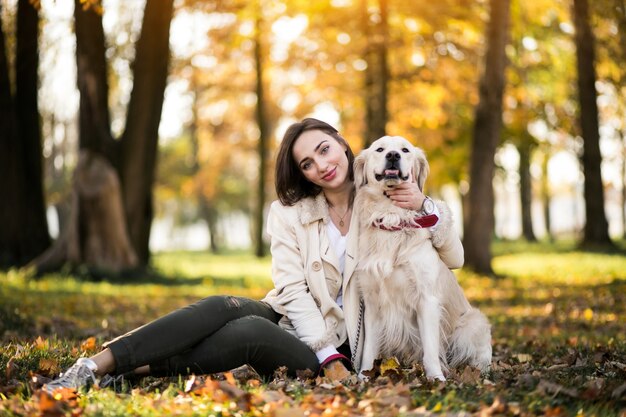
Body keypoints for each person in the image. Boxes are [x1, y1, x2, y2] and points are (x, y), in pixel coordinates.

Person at [43, 118, 463, 392]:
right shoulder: (288, 215)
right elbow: (292, 288)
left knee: (248, 334)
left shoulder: (388, 197)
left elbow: (454, 257)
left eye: (324, 149)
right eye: (306, 163)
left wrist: (423, 206)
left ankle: (138, 368)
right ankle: (96, 365)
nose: (320, 165)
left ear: (343, 145)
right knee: (220, 307)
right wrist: (322, 350)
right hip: (295, 317)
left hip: (344, 341)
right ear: (302, 174)